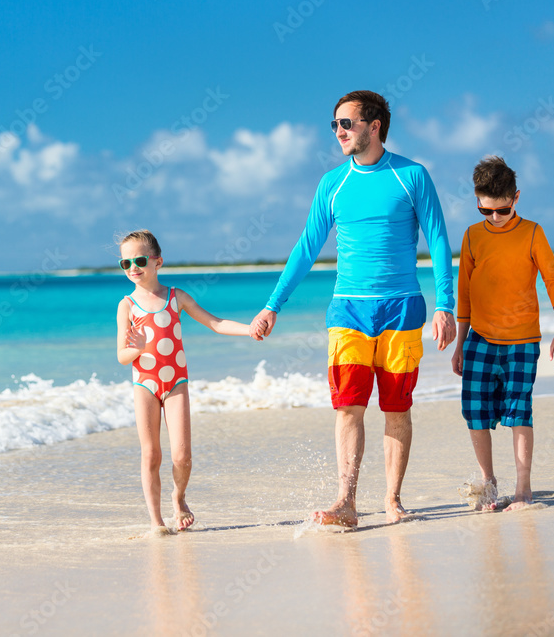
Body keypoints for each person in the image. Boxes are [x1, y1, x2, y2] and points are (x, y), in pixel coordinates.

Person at [249, 90, 456, 528]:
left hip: (402, 308)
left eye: (347, 123)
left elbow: (437, 239)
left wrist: (446, 304)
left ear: (374, 126)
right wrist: (272, 306)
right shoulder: (332, 184)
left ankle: (393, 499)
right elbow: (307, 248)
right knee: (348, 407)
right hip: (348, 311)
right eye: (335, 125)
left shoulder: (412, 175)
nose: (338, 132)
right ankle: (346, 501)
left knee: (397, 408)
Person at [452, 155, 554, 511]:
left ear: (515, 198)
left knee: (519, 411)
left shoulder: (532, 232)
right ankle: (489, 484)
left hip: (522, 341)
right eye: (486, 211)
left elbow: (553, 279)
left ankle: (523, 489)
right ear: (477, 202)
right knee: (474, 412)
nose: (495, 218)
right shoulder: (472, 236)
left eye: (502, 210)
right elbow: (465, 292)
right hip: (480, 341)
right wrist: (460, 343)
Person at [116, 229, 251, 534]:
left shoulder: (176, 297)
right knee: (151, 454)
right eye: (126, 263)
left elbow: (215, 323)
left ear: (157, 261)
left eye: (139, 260)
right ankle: (156, 520)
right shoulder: (126, 305)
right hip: (145, 385)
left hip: (176, 383)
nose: (133, 268)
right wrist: (135, 348)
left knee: (182, 456)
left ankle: (179, 498)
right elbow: (122, 356)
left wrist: (250, 329)